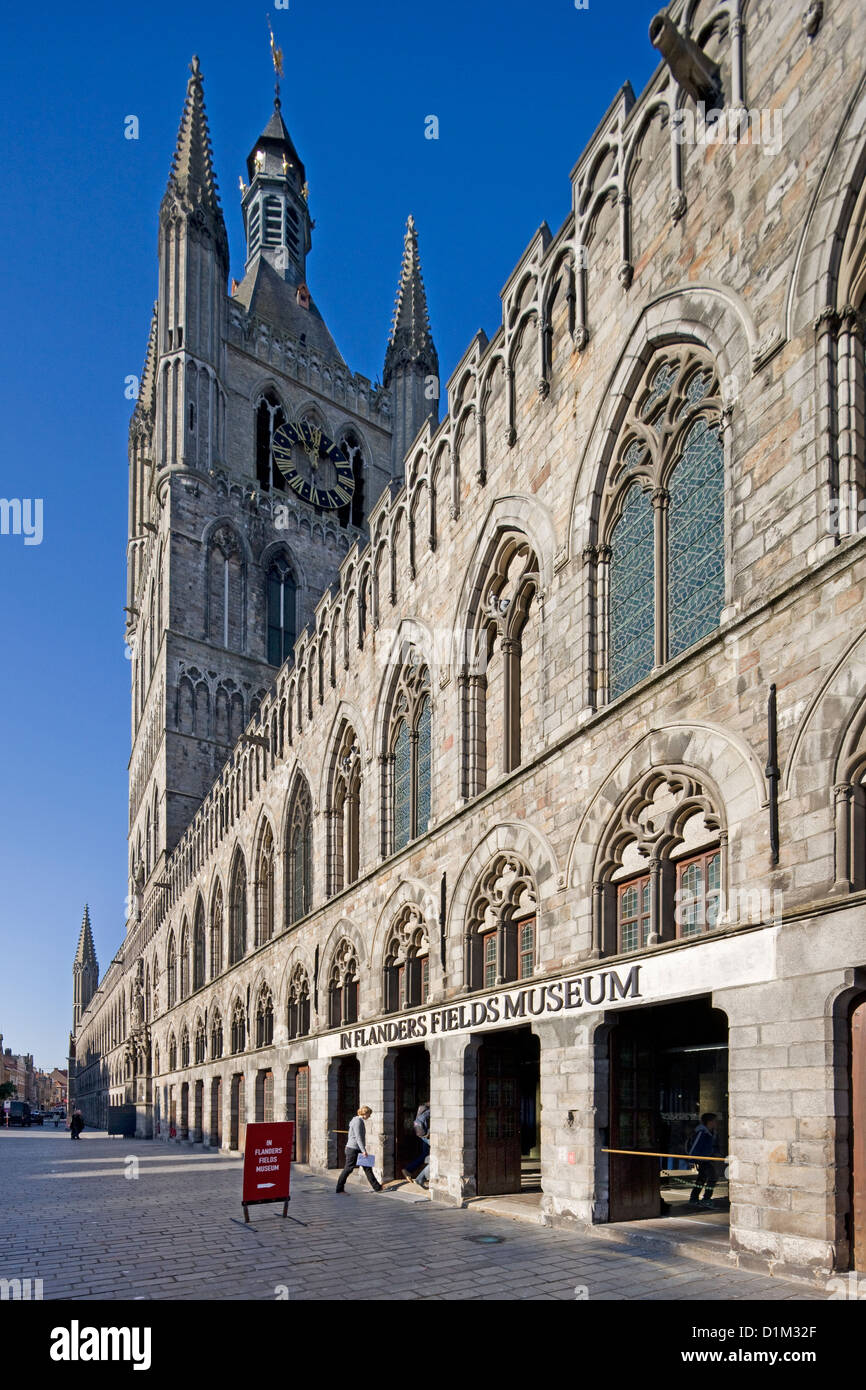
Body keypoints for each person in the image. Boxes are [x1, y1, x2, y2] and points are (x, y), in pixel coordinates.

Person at [335, 1105, 383, 1193]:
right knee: (348, 1169)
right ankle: (339, 1188)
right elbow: (358, 1137)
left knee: (367, 1168)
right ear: (365, 1113)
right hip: (354, 1149)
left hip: (355, 1148)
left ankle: (377, 1187)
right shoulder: (358, 1121)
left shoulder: (356, 1120)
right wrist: (363, 1150)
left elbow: (351, 1134)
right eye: (369, 1114)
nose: (370, 1116)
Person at [688, 1112, 719, 1207]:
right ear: (709, 1122)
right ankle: (706, 1199)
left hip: (707, 1159)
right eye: (715, 1121)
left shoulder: (710, 1133)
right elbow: (695, 1146)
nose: (716, 1123)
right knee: (712, 1178)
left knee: (702, 1179)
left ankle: (694, 1199)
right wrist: (691, 1160)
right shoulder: (702, 1132)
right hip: (702, 1160)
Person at [402, 1101, 430, 1184]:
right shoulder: (430, 1110)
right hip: (427, 1136)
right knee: (432, 1155)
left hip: (422, 1135)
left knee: (425, 1154)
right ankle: (421, 1177)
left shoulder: (421, 1109)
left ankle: (409, 1170)